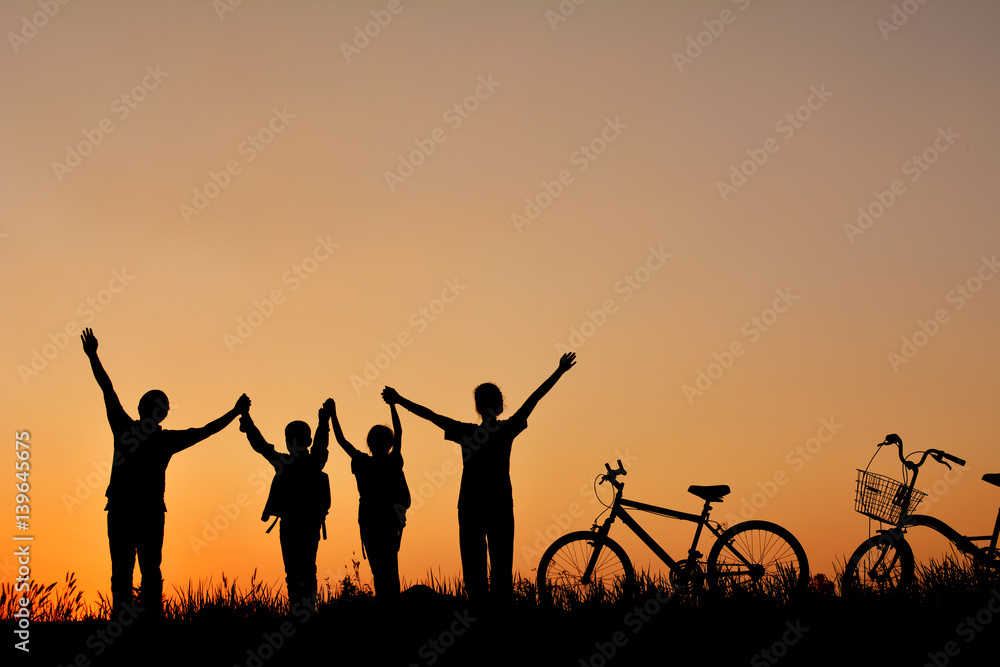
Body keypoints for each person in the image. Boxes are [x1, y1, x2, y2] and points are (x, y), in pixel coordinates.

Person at [80, 328, 249, 622]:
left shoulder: (126, 428)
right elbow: (205, 431)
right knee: (148, 570)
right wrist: (234, 412)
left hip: (124, 510)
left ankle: (126, 622)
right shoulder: (162, 439)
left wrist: (94, 355)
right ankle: (150, 621)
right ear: (163, 413)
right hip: (143, 512)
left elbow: (107, 389)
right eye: (165, 407)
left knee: (124, 570)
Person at [384, 352, 576, 609]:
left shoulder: (466, 432)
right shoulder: (506, 430)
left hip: (471, 507)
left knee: (474, 573)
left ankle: (477, 618)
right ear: (500, 406)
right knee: (501, 571)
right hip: (500, 506)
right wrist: (559, 371)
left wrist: (398, 400)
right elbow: (534, 399)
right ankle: (500, 617)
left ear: (477, 406)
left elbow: (431, 415)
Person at [239, 403, 330, 612]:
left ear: (289, 442)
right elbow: (320, 444)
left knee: (297, 572)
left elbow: (261, 445)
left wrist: (246, 419)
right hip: (306, 524)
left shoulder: (288, 462)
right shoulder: (314, 462)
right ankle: (305, 612)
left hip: (294, 525)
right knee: (306, 571)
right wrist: (323, 421)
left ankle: (298, 612)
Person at [327, 396, 410, 607]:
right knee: (390, 565)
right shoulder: (392, 461)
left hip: (370, 518)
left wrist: (332, 416)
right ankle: (391, 605)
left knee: (378, 566)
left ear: (369, 442)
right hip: (388, 520)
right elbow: (399, 432)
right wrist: (393, 405)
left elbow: (341, 440)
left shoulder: (362, 462)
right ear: (389, 444)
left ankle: (385, 604)